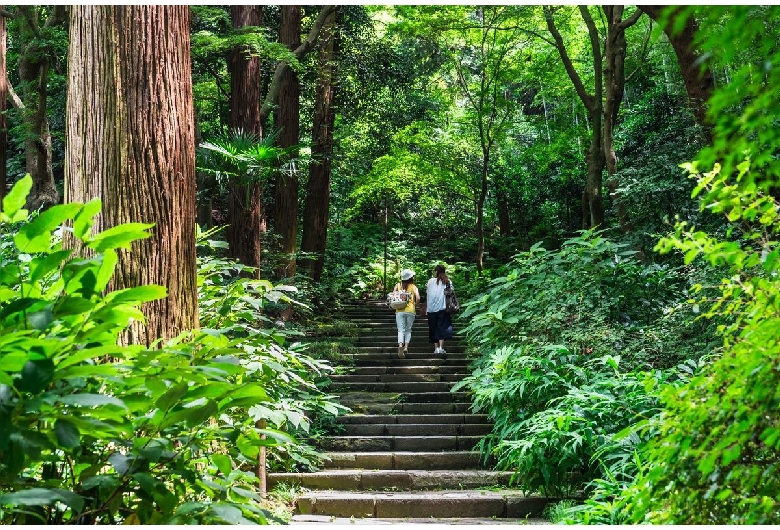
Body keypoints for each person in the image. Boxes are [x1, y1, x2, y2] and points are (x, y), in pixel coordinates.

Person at [425, 264, 453, 355]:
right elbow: (452, 292)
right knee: (442, 327)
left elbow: (427, 291)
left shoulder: (430, 281)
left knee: (433, 327)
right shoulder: (447, 281)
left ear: (436, 271)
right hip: (443, 307)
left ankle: (436, 348)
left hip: (431, 308)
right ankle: (441, 348)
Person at [393, 269, 420, 358]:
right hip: (410, 311)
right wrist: (414, 305)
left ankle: (400, 346)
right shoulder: (413, 287)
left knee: (401, 330)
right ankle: (406, 347)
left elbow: (393, 296)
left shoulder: (398, 285)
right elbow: (418, 298)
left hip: (400, 310)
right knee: (408, 329)